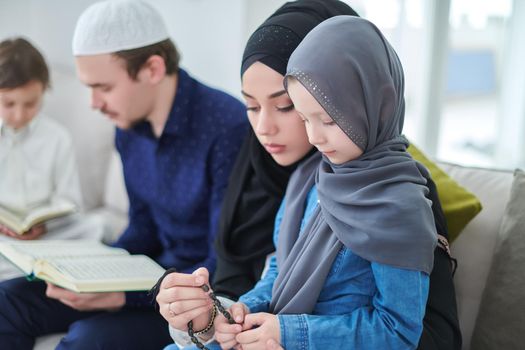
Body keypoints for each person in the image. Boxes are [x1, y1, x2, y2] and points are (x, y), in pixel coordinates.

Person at [156, 2, 460, 350]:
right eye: (251, 107)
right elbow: (276, 271)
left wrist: (289, 333)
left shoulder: (398, 199)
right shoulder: (307, 177)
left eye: (286, 107)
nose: (264, 129)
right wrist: (229, 315)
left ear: (371, 102)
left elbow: (407, 330)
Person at [0, 1, 247, 349]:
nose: (93, 103)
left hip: (190, 301)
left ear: (152, 69)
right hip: (146, 280)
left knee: (87, 341)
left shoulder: (228, 127)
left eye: (103, 87)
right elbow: (142, 230)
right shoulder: (128, 124)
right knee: (8, 299)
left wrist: (121, 297)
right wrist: (89, 274)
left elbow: (224, 264)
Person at [0, 37, 106, 280]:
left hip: (46, 233)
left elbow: (69, 201)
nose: (19, 114)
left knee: (95, 226)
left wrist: (44, 225)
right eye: (8, 103)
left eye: (30, 104)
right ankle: (29, 267)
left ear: (44, 92)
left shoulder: (57, 138)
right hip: (3, 235)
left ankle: (32, 264)